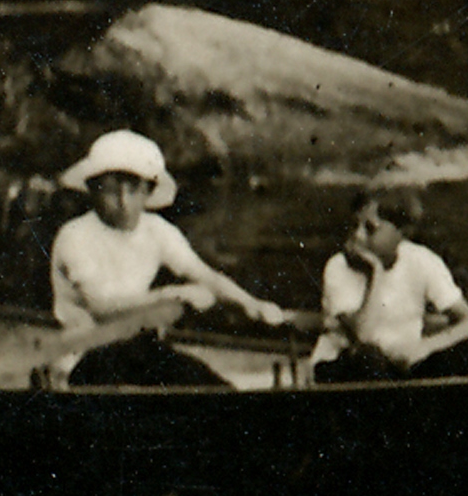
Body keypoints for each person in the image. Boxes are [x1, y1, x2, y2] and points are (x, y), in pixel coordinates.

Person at [44, 130, 295, 384]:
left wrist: (250, 304)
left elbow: (204, 275)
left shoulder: (157, 230)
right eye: (110, 190)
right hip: (85, 355)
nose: (123, 202)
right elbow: (101, 307)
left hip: (138, 347)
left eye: (133, 190)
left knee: (217, 390)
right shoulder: (74, 236)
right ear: (92, 189)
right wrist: (171, 295)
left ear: (148, 191)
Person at [310, 192, 468, 383]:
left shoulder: (421, 259)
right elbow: (363, 336)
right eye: (355, 225)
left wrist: (425, 347)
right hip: (344, 366)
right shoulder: (338, 266)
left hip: (400, 364)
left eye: (370, 229)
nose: (358, 235)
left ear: (402, 234)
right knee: (369, 358)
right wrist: (377, 271)